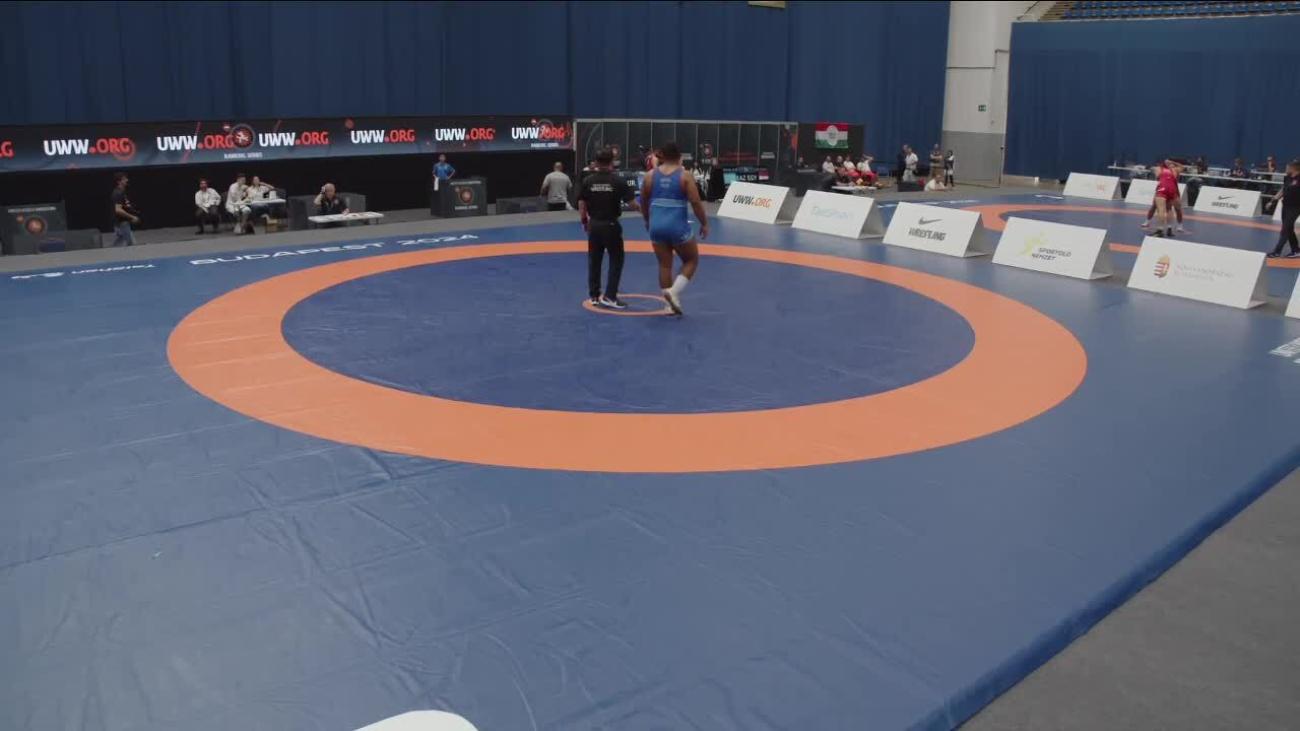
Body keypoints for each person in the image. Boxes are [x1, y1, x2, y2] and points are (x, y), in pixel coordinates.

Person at [641, 141, 708, 316]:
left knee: (664, 265)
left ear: (662, 156)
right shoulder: (684, 176)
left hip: (656, 226)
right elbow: (695, 202)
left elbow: (644, 202)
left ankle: (669, 306)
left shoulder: (649, 176)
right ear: (679, 157)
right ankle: (674, 292)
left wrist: (647, 221)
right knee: (691, 260)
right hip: (677, 226)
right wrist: (704, 223)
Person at [578, 148, 638, 308]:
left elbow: (582, 202)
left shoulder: (588, 181)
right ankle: (610, 296)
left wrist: (584, 220)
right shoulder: (618, 181)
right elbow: (632, 204)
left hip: (594, 224)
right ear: (612, 162)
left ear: (596, 162)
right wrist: (644, 210)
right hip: (610, 224)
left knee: (594, 260)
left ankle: (594, 295)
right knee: (616, 259)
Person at [1141, 158, 1185, 234]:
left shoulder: (1175, 170)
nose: (1170, 165)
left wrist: (1172, 162)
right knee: (1154, 206)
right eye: (1169, 163)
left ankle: (1176, 226)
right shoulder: (1161, 169)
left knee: (1176, 209)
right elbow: (1156, 173)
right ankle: (1148, 221)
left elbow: (1182, 167)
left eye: (1172, 164)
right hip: (1167, 189)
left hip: (1170, 190)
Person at [1267, 159, 1300, 258]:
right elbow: (1283, 190)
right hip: (1285, 206)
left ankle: (1277, 252)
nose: (1286, 169)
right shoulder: (1287, 177)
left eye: (1287, 167)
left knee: (1285, 229)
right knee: (1289, 229)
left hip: (1295, 208)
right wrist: (1272, 201)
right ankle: (1296, 250)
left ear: (1294, 168)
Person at [1149, 158, 1179, 238]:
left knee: (1161, 210)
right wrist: (1173, 163)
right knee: (1169, 209)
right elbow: (1182, 167)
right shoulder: (1175, 170)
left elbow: (1157, 176)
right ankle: (1169, 229)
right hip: (1172, 190)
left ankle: (1160, 230)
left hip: (1163, 188)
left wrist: (1156, 169)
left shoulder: (1159, 169)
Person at [110, 172, 139, 247]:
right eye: (124, 179)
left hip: (123, 224)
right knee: (130, 245)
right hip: (122, 224)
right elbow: (118, 210)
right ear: (119, 182)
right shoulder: (117, 193)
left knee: (120, 245)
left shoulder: (122, 192)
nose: (127, 180)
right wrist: (132, 217)